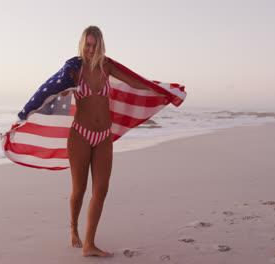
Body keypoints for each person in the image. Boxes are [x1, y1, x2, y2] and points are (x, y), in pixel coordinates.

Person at [66, 26, 167, 257]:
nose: (91, 50)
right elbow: (55, 91)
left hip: (103, 136)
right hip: (80, 135)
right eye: (88, 45)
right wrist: (61, 93)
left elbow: (132, 81)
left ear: (100, 45)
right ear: (82, 44)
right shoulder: (73, 68)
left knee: (101, 190)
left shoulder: (106, 66)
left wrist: (157, 91)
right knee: (79, 191)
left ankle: (88, 244)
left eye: (95, 45)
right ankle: (73, 227)